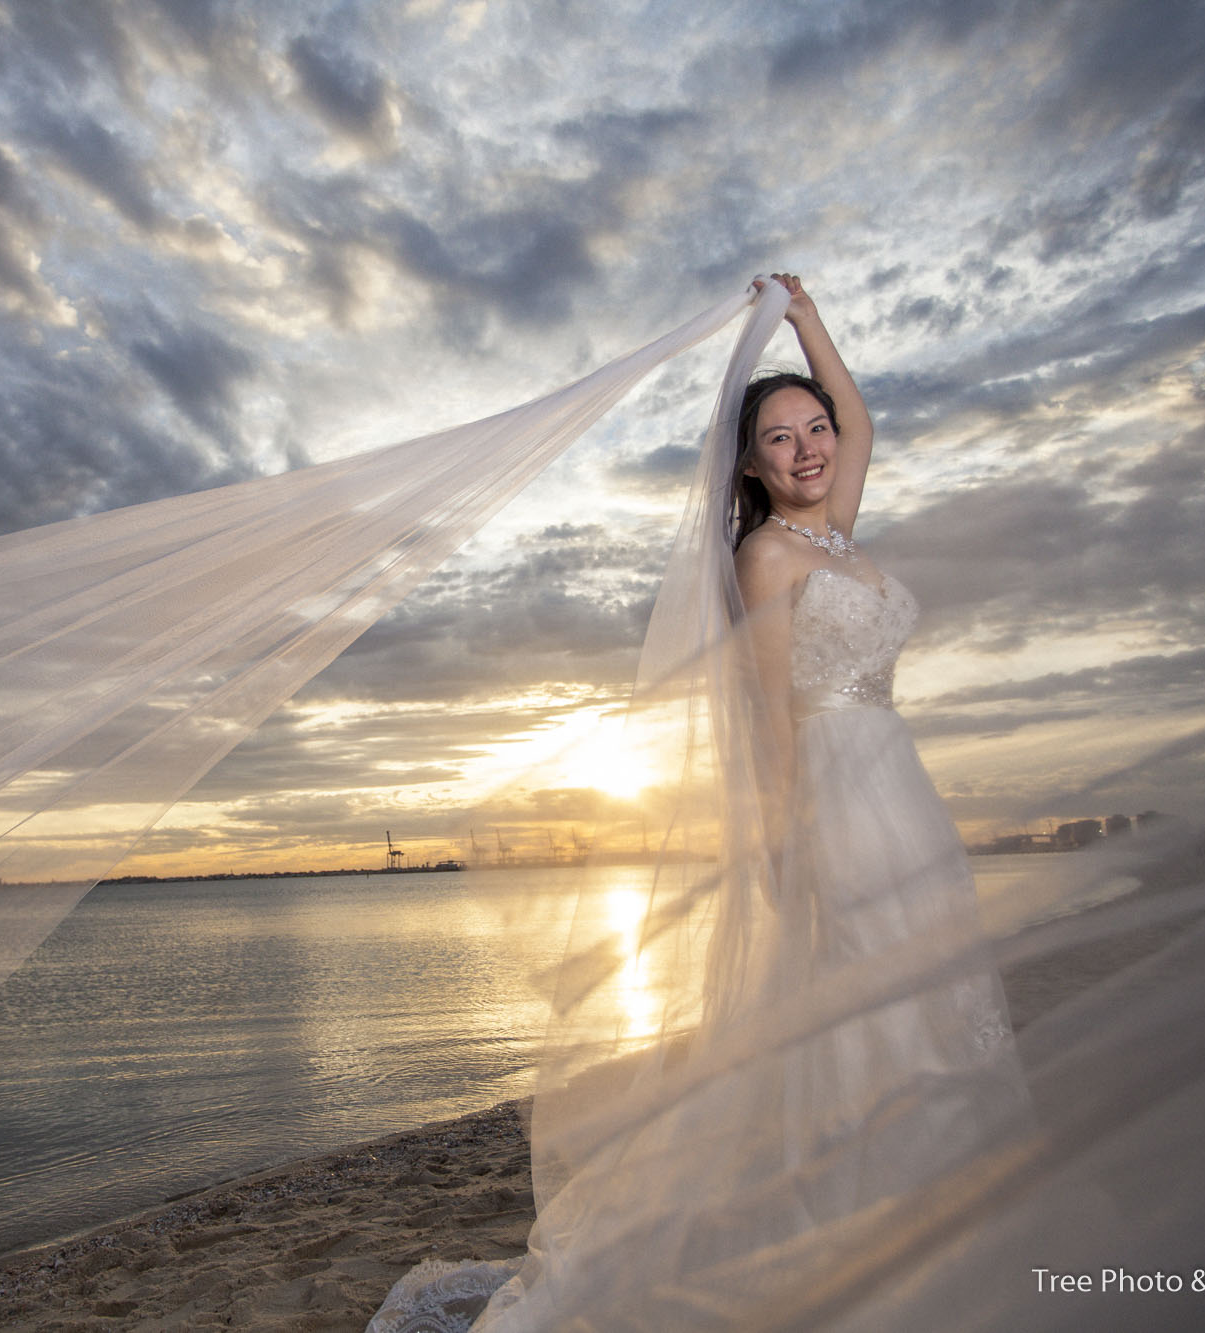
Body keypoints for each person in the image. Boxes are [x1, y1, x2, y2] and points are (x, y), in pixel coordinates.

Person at [366, 275, 1030, 1332]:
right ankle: (865, 1219)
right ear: (751, 465)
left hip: (901, 795)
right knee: (868, 1006)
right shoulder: (766, 555)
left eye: (812, 429)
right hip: (837, 807)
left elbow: (862, 422)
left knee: (934, 995)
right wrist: (788, 851)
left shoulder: (838, 537)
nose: (810, 448)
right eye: (780, 439)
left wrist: (804, 319)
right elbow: (771, 719)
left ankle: (943, 1201)